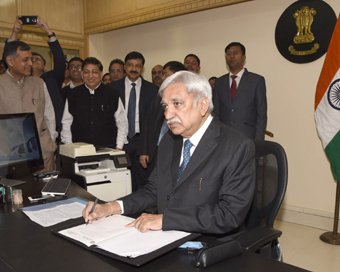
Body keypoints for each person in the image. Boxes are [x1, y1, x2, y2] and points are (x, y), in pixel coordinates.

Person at [83, 71, 255, 242]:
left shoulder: (237, 147)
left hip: (210, 244)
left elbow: (229, 215)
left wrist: (165, 220)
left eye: (177, 104)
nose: (167, 115)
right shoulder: (170, 140)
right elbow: (153, 190)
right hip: (169, 237)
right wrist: (110, 207)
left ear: (203, 105)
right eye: (165, 106)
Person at [0, 41, 57, 171]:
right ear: (10, 61)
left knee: (48, 189)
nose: (30, 64)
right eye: (25, 60)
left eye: (31, 59)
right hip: (11, 157)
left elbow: (49, 115)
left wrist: (50, 140)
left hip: (44, 153)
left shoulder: (39, 83)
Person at [108, 52, 159, 191]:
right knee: (120, 178)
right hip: (119, 141)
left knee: (142, 179)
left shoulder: (153, 90)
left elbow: (153, 121)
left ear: (142, 68)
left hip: (141, 140)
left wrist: (147, 147)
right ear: (125, 67)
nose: (134, 69)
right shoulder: (112, 88)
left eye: (138, 66)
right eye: (130, 65)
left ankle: (140, 209)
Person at [8, 16, 65, 136]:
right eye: (29, 59)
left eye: (37, 59)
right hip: (23, 133)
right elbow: (8, 57)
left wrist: (49, 32)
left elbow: (60, 60)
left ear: (45, 66)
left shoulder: (52, 79)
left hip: (51, 133)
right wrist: (15, 33)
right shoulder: (19, 81)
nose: (32, 61)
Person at [61, 57, 128, 149]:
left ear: (101, 74)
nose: (90, 76)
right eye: (87, 72)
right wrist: (69, 145)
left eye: (94, 72)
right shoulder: (73, 94)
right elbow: (66, 122)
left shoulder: (112, 94)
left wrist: (119, 146)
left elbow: (122, 122)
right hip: (80, 149)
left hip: (107, 148)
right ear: (82, 74)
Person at [138, 61, 186, 179]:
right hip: (155, 150)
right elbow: (147, 124)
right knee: (152, 183)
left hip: (175, 148)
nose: (162, 77)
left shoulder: (187, 96)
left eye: (165, 74)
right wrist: (144, 150)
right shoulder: (159, 94)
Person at [213, 42, 267, 140]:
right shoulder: (219, 82)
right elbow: (216, 113)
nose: (232, 56)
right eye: (228, 54)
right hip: (224, 138)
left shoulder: (256, 80)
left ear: (244, 57)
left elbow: (261, 114)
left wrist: (259, 142)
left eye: (235, 53)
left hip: (248, 137)